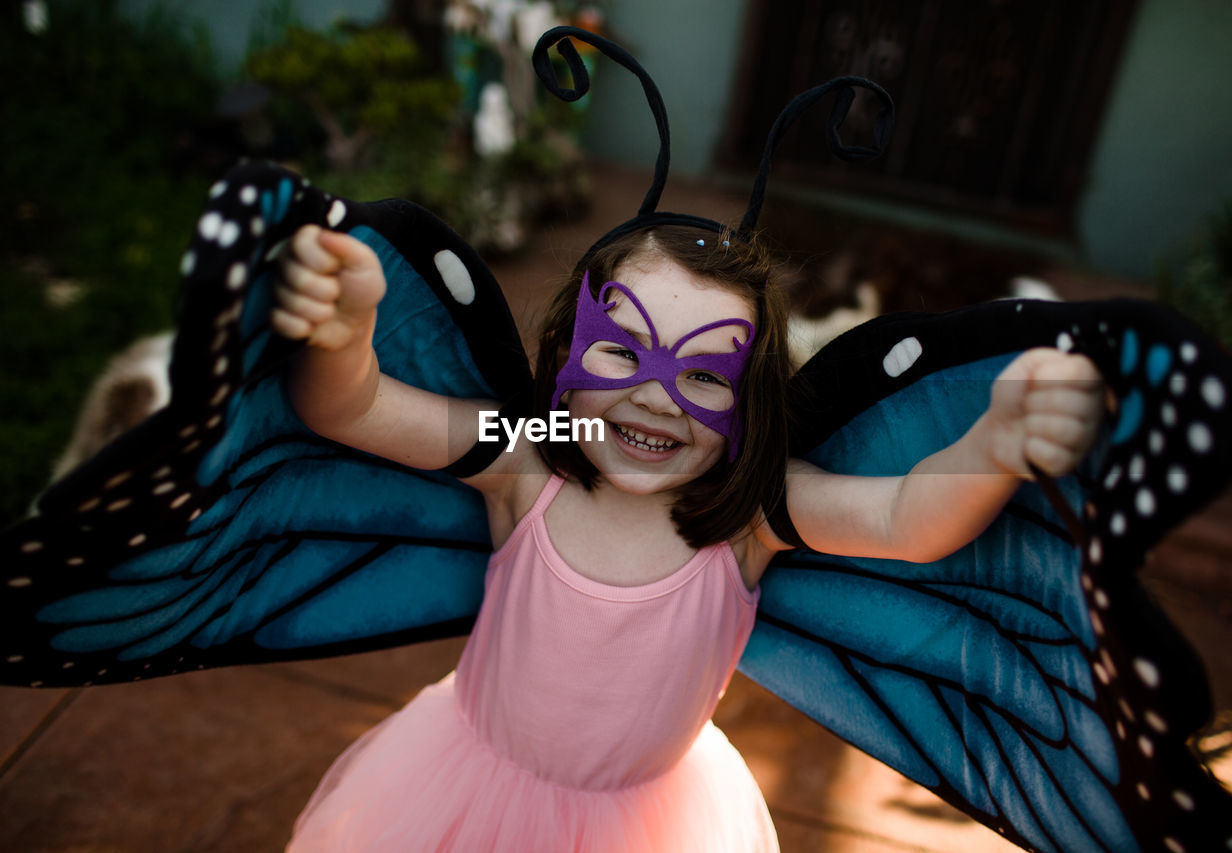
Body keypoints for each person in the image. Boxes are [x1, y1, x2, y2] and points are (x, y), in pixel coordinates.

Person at [271, 218, 1105, 851]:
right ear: (565, 349)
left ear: (751, 404)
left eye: (706, 373)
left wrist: (992, 445)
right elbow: (351, 407)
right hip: (459, 787)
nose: (659, 397)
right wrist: (342, 335)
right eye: (619, 351)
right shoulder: (530, 462)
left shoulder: (748, 518)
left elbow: (904, 521)